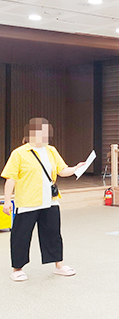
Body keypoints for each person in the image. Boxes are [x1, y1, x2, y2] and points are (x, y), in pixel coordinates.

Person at [1, 117, 87, 282]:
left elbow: (62, 170)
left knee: (53, 234)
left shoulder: (51, 150)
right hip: (27, 202)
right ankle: (17, 269)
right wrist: (7, 201)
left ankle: (59, 265)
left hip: (50, 201)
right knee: (21, 236)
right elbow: (10, 178)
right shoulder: (19, 153)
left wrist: (75, 168)